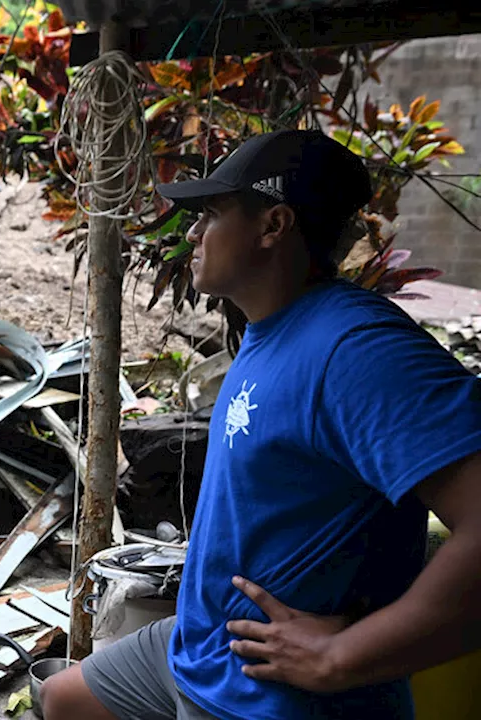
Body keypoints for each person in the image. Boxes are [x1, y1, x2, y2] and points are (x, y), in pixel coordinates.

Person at [41, 129, 481, 719]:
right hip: (198, 647)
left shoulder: (359, 351)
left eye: (214, 213)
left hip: (264, 696)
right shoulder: (272, 325)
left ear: (273, 226)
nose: (194, 233)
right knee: (63, 699)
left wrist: (343, 656)